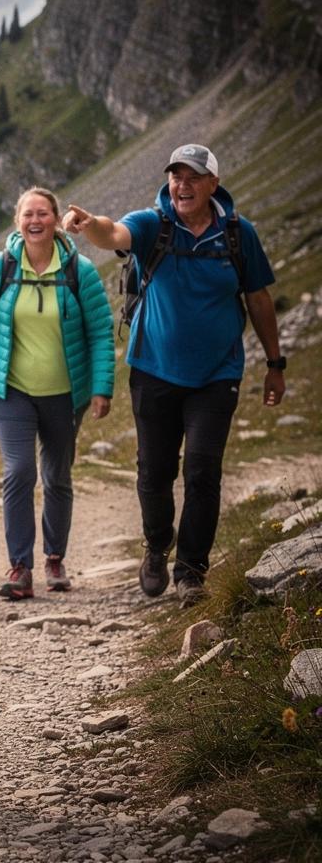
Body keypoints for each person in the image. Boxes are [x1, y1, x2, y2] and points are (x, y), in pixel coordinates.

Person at [63, 144, 285, 606]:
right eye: (175, 176)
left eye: (193, 177)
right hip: (154, 369)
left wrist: (275, 363)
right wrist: (89, 225)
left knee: (203, 470)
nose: (182, 185)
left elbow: (259, 299)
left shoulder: (238, 234)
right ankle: (156, 545)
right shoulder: (153, 224)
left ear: (213, 185)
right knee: (155, 471)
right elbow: (113, 232)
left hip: (217, 373)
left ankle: (191, 572)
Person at [0, 188, 114, 601]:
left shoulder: (80, 271)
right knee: (18, 472)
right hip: (11, 391)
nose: (36, 221)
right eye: (28, 214)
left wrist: (101, 388)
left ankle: (54, 558)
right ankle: (20, 567)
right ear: (18, 221)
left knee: (57, 476)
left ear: (56, 219)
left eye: (43, 213)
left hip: (66, 394)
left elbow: (100, 332)